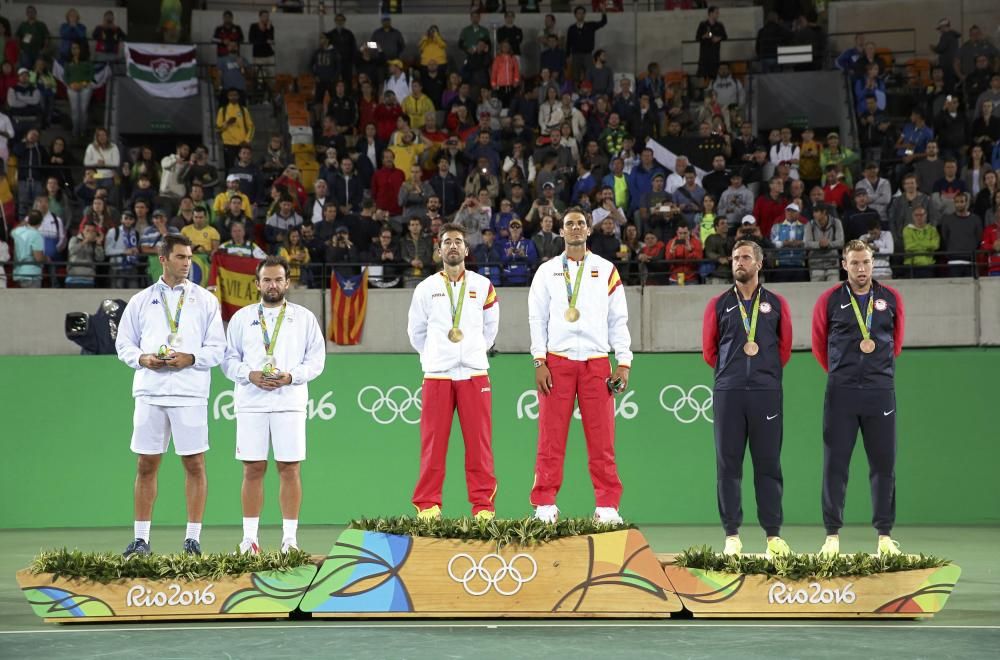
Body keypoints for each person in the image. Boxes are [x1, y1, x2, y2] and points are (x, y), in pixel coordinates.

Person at [115, 234, 226, 556]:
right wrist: (142, 359)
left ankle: (192, 539)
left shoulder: (205, 300)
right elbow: (124, 344)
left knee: (195, 464)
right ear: (163, 259)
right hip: (150, 390)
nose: (187, 263)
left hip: (190, 392)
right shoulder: (140, 300)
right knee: (146, 465)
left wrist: (190, 358)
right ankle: (141, 540)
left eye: (190, 257)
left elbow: (217, 348)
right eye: (181, 257)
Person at [528, 208, 631, 524]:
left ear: (589, 231)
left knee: (602, 440)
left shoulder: (607, 269)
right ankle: (545, 503)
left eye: (581, 224)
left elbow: (618, 319)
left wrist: (623, 362)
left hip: (596, 362)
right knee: (550, 437)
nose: (575, 228)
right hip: (557, 361)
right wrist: (539, 359)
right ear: (561, 231)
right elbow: (537, 318)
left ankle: (607, 506)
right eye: (569, 224)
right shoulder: (546, 271)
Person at [222, 256, 325, 554]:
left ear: (287, 282)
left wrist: (291, 376)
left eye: (278, 279)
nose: (273, 284)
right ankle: (249, 540)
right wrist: (249, 375)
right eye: (267, 279)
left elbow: (317, 360)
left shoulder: (304, 318)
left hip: (289, 402)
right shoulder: (241, 318)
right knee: (253, 469)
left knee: (289, 468)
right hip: (251, 402)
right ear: (257, 284)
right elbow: (228, 361)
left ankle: (289, 540)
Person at [812, 240, 906, 557]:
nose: (861, 269)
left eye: (866, 262)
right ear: (844, 264)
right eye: (855, 263)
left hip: (880, 391)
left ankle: (884, 536)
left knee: (884, 465)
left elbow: (896, 344)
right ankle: (832, 536)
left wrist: (877, 373)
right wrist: (843, 373)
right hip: (841, 392)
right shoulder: (829, 300)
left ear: (873, 262)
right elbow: (819, 346)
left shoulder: (890, 299)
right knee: (835, 466)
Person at [702, 239, 793, 557]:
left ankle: (773, 536)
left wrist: (762, 373)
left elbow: (784, 349)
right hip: (729, 393)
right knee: (728, 466)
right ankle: (731, 535)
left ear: (759, 263)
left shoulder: (777, 303)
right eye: (735, 258)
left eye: (745, 258)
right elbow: (709, 351)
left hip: (766, 393)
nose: (739, 262)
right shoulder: (718, 304)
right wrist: (734, 374)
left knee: (768, 465)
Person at [406, 223, 499, 520]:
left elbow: (490, 331)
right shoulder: (426, 288)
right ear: (439, 250)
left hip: (474, 374)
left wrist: (471, 353)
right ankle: (428, 505)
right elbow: (416, 332)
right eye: (447, 242)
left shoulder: (483, 286)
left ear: (466, 250)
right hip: (438, 375)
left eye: (458, 241)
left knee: (479, 445)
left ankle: (483, 506)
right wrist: (436, 356)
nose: (453, 246)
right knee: (432, 445)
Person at [566, 5, 607, 84]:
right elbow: (568, 42)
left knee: (589, 75)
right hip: (575, 55)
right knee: (575, 76)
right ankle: (576, 94)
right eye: (578, 13)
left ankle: (589, 93)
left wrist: (603, 12)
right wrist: (568, 56)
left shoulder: (590, 25)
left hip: (587, 54)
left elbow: (603, 22)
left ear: (584, 15)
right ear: (575, 15)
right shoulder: (571, 28)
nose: (580, 15)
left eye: (582, 13)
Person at [804, 204, 845, 282]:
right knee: (817, 291)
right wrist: (819, 244)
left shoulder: (836, 223)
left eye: (816, 212)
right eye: (813, 212)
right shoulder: (810, 224)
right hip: (815, 264)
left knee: (833, 290)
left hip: (832, 263)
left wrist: (828, 243)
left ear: (824, 212)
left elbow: (841, 242)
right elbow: (807, 243)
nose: (814, 214)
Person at [216, 89, 255, 170]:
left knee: (246, 167)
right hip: (229, 144)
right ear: (228, 97)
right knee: (229, 168)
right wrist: (227, 123)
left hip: (242, 144)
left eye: (235, 95)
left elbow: (251, 126)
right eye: (231, 95)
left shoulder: (243, 110)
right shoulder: (222, 110)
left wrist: (247, 140)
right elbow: (218, 128)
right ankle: (229, 182)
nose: (233, 97)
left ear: (238, 96)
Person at [11, 209, 46, 287]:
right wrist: (46, 258)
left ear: (28, 219)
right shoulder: (37, 236)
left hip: (18, 274)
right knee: (32, 299)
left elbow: (12, 231)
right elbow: (38, 258)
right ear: (40, 223)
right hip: (32, 275)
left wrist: (23, 223)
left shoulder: (18, 232)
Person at [66, 222, 105, 287]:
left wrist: (99, 245)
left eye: (92, 231)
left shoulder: (94, 243)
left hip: (89, 276)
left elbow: (100, 258)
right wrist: (85, 241)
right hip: (73, 275)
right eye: (87, 230)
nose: (90, 233)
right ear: (82, 231)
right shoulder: (74, 239)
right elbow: (72, 251)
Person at [696, 6, 727, 80]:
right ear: (711, 13)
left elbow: (725, 37)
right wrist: (704, 36)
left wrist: (718, 38)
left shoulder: (719, 25)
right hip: (704, 56)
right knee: (703, 78)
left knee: (714, 77)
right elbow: (697, 38)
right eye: (716, 13)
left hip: (715, 56)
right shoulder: (703, 25)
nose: (718, 14)